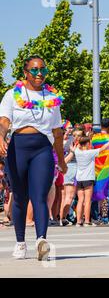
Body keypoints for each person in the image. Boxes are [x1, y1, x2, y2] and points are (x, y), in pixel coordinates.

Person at [0, 55, 67, 260]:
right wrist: (1, 137)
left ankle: (41, 240)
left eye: (43, 70)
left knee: (40, 196)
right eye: (35, 70)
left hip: (42, 149)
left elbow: (56, 132)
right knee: (20, 197)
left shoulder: (52, 98)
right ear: (26, 73)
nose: (40, 74)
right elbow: (4, 121)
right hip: (18, 147)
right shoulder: (13, 95)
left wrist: (61, 160)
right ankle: (20, 242)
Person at [73, 135, 109, 227]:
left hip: (79, 179)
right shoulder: (90, 152)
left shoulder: (77, 152)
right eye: (90, 143)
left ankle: (78, 221)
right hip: (88, 179)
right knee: (87, 200)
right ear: (87, 144)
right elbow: (103, 148)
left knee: (80, 200)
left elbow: (74, 147)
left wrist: (77, 142)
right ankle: (87, 221)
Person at [59, 126, 84, 226]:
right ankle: (62, 218)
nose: (77, 137)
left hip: (74, 168)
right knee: (68, 196)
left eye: (79, 135)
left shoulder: (74, 143)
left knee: (68, 196)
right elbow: (65, 160)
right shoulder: (72, 145)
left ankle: (63, 218)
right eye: (75, 135)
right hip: (71, 168)